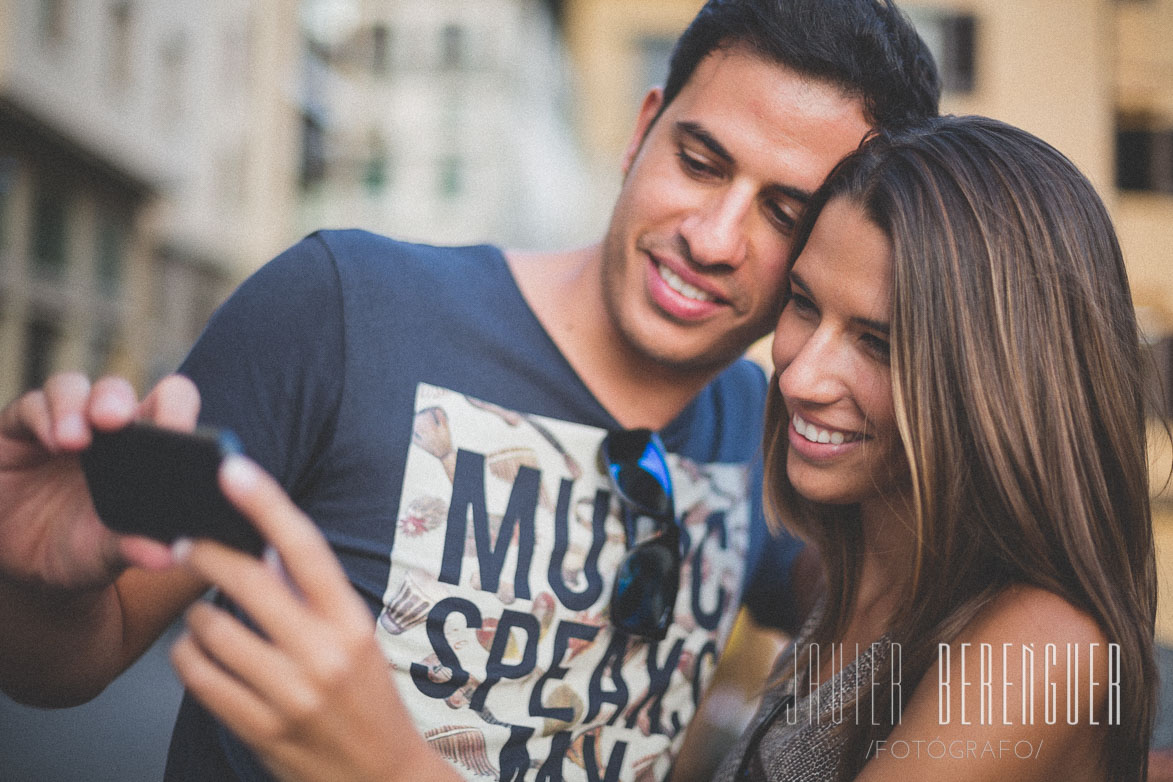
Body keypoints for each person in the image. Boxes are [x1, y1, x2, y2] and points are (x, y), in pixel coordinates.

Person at [0, 1, 939, 780]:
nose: (715, 237)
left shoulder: (774, 435)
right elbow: (73, 663)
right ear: (642, 127)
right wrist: (37, 584)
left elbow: (910, 633)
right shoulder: (340, 306)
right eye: (698, 161)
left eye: (786, 212)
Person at [705, 115, 1157, 780]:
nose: (798, 377)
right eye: (803, 302)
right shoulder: (853, 576)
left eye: (877, 343)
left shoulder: (1038, 646)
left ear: (997, 381)